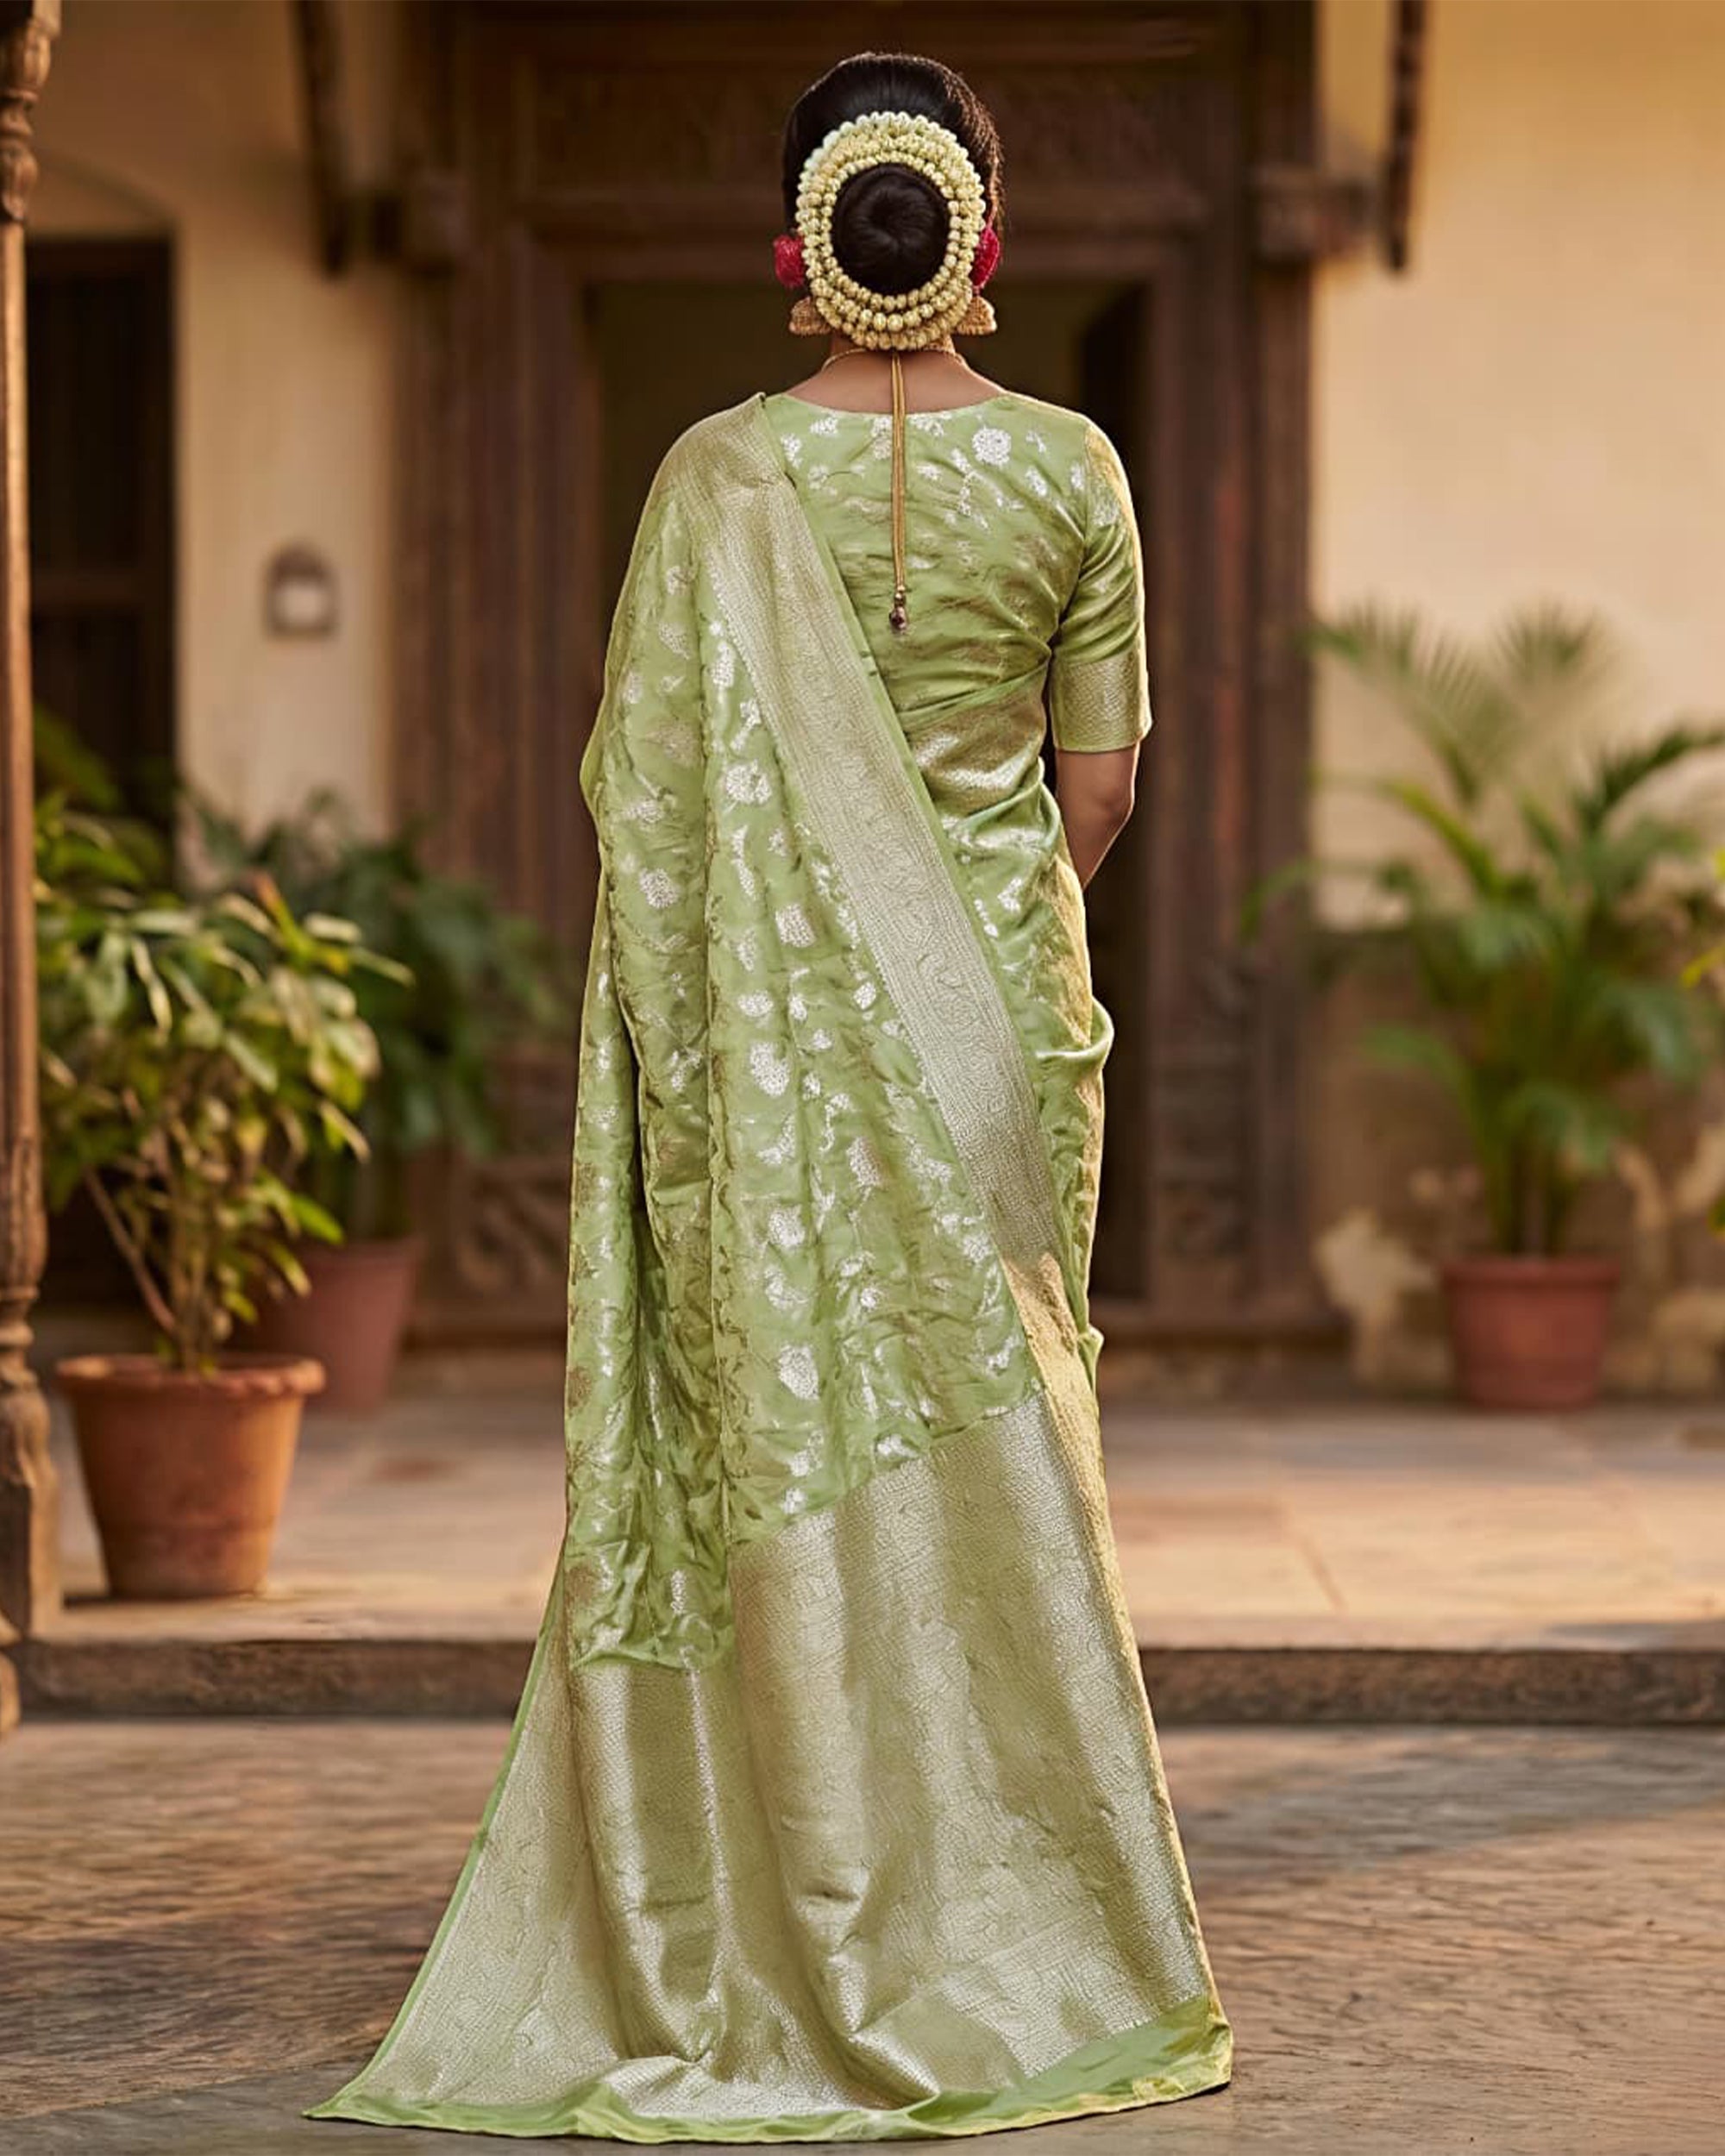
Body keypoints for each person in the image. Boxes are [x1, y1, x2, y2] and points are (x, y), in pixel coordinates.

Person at [308, 49, 1232, 2144]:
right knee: (1002, 1456)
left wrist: (800, 972)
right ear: (979, 241)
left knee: (793, 1436)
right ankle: (1034, 1919)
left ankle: (786, 1901)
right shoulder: (1076, 472)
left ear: (801, 250)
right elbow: (1097, 792)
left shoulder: (715, 479)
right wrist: (949, 933)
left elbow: (645, 802)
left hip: (769, 1068)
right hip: (999, 1031)